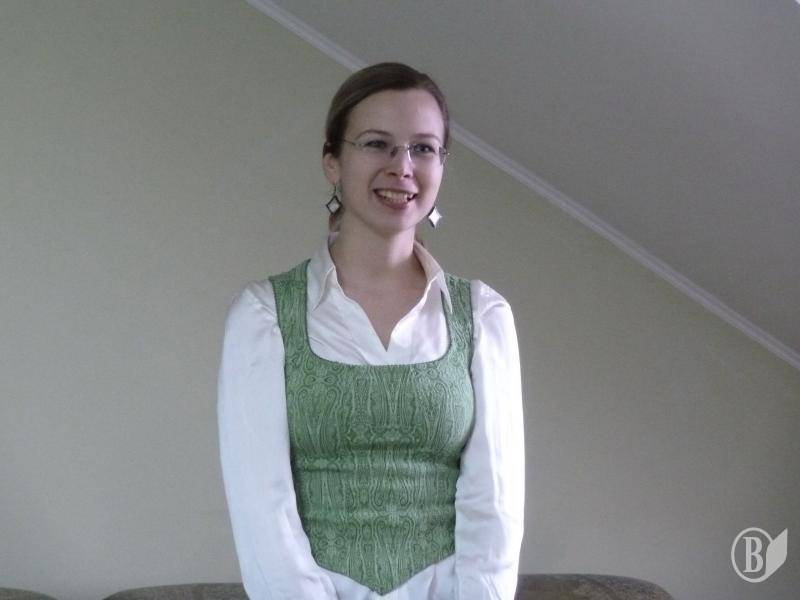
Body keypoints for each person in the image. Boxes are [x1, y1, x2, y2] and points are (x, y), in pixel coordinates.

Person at [217, 62, 525, 600]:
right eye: (377, 144)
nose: (402, 167)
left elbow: (495, 504)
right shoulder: (264, 316)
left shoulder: (482, 316)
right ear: (332, 162)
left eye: (423, 148)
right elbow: (260, 506)